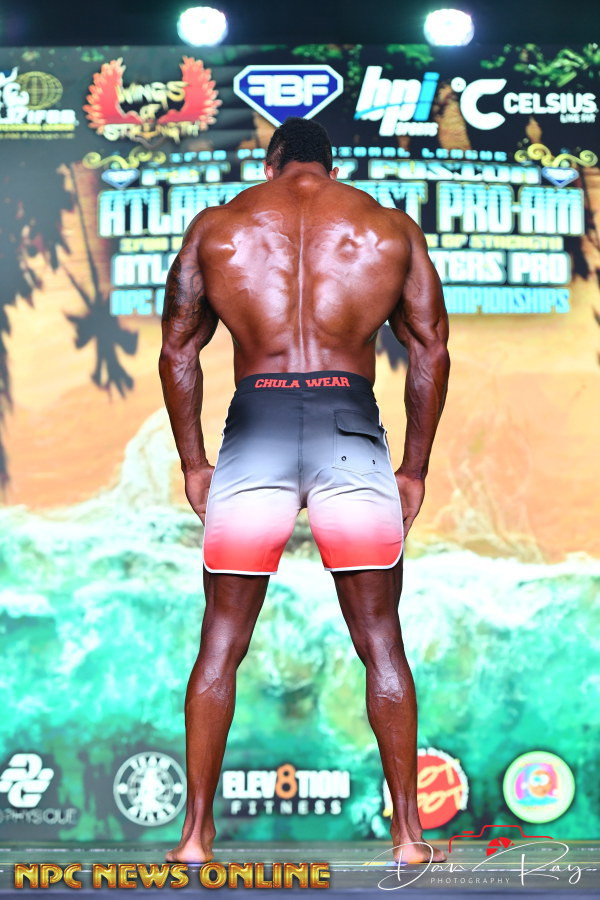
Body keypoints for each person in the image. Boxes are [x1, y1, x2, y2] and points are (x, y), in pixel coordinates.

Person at [158, 117, 450, 865]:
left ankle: (194, 836)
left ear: (271, 163)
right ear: (331, 165)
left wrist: (193, 462)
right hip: (347, 425)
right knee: (380, 639)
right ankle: (408, 837)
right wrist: (414, 467)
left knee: (221, 639)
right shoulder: (389, 229)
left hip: (256, 425)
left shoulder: (217, 228)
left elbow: (178, 349)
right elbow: (430, 350)